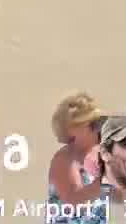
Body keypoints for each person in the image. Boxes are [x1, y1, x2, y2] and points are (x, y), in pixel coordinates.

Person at [45, 93, 107, 224]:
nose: (99, 128)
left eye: (99, 122)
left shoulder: (101, 154)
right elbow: (73, 200)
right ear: (71, 129)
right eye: (92, 124)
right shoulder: (65, 158)